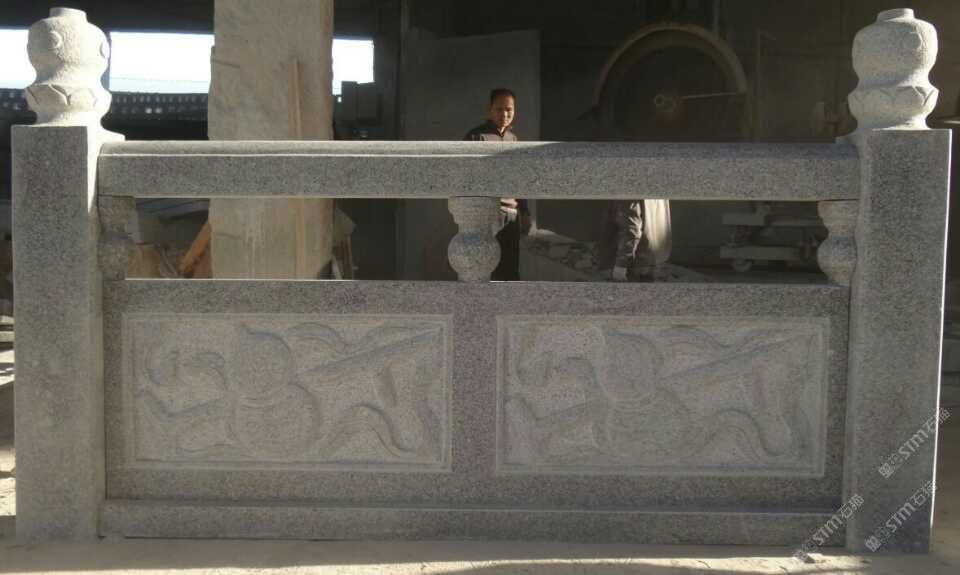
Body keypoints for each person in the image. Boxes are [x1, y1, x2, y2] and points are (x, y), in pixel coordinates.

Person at [464, 88, 530, 281]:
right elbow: (466, 177)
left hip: (511, 214)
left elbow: (518, 178)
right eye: (499, 109)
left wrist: (525, 211)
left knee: (510, 269)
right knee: (483, 267)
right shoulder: (476, 137)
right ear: (489, 110)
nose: (504, 114)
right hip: (486, 213)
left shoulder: (513, 140)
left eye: (509, 109)